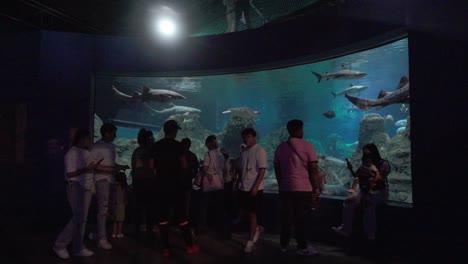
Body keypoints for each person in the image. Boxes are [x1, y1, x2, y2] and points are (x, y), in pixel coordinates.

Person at [151, 120, 200, 256]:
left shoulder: (156, 146)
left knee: (163, 218)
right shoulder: (179, 147)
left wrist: (160, 177)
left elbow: (152, 167)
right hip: (176, 187)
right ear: (174, 131)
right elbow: (184, 165)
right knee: (182, 217)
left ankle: (166, 248)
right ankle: (190, 246)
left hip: (161, 187)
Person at [273, 119, 322, 255]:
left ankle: (283, 245)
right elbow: (313, 168)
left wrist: (281, 183)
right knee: (301, 219)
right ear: (300, 130)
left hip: (285, 188)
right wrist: (316, 188)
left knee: (286, 218)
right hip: (303, 188)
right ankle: (302, 247)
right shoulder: (307, 146)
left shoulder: (281, 147)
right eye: (302, 129)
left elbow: (277, 168)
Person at [52, 129, 98, 259]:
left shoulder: (86, 152)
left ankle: (78, 247)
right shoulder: (71, 153)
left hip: (87, 187)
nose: (89, 141)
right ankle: (59, 244)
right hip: (76, 187)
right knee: (78, 217)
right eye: (87, 139)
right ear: (81, 139)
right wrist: (86, 169)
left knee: (83, 219)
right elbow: (69, 174)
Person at [332, 143, 390, 241]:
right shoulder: (364, 164)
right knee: (348, 201)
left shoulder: (383, 164)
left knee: (368, 203)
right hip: (364, 191)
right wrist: (351, 168)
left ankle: (370, 233)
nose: (366, 156)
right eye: (364, 154)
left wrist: (372, 171)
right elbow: (357, 176)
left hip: (379, 191)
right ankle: (346, 229)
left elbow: (381, 179)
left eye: (368, 154)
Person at [89, 123, 130, 250]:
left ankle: (97, 233)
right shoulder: (96, 147)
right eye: (113, 132)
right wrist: (110, 169)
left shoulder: (111, 146)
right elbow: (92, 165)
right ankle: (101, 238)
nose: (115, 135)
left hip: (111, 180)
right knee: (103, 209)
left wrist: (119, 167)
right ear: (107, 133)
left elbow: (110, 163)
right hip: (101, 180)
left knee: (109, 210)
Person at [236, 128, 267, 253]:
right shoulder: (243, 151)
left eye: (249, 136)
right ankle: (257, 229)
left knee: (253, 213)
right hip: (243, 187)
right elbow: (241, 169)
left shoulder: (260, 150)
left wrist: (255, 186)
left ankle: (250, 242)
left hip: (254, 188)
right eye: (244, 137)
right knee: (247, 213)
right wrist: (238, 182)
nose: (246, 139)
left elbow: (262, 169)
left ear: (254, 137)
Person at [198, 135, 227, 238]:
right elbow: (223, 169)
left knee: (204, 207)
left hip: (209, 184)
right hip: (219, 183)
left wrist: (202, 167)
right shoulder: (221, 155)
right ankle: (221, 230)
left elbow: (205, 168)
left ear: (208, 144)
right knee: (219, 208)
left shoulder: (208, 154)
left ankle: (202, 228)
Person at [131, 129, 156, 238]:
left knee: (139, 207)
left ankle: (138, 228)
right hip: (149, 181)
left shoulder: (136, 151)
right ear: (149, 139)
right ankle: (150, 228)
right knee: (150, 206)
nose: (153, 139)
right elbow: (152, 167)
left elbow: (134, 167)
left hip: (137, 181)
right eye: (151, 137)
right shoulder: (151, 151)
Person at [181, 138, 199, 219]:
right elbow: (196, 169)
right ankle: (185, 219)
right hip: (187, 182)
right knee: (187, 202)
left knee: (178, 202)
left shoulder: (177, 155)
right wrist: (192, 176)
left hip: (178, 182)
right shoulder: (192, 155)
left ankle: (179, 220)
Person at [110, 172, 129, 238]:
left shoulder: (114, 186)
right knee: (120, 220)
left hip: (115, 205)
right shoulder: (125, 187)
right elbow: (126, 197)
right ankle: (119, 233)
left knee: (115, 221)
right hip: (122, 205)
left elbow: (112, 196)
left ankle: (114, 233)